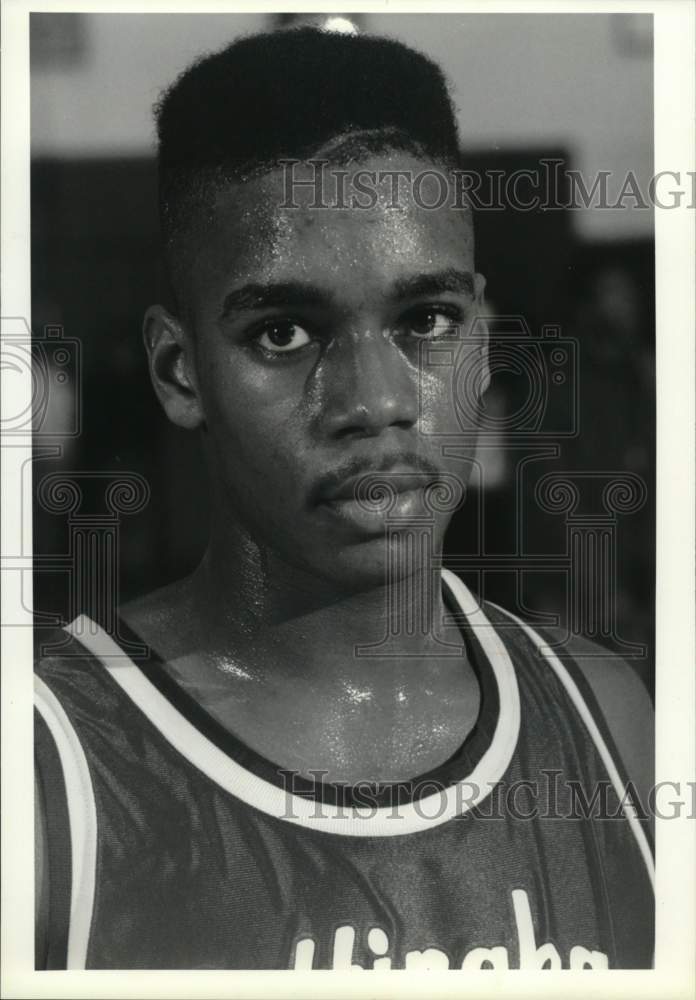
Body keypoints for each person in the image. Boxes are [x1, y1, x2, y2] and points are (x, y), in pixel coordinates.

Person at [34, 26, 654, 970]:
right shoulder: (48, 771)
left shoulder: (612, 719)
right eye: (284, 332)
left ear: (484, 336)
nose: (377, 401)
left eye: (427, 320)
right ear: (178, 369)